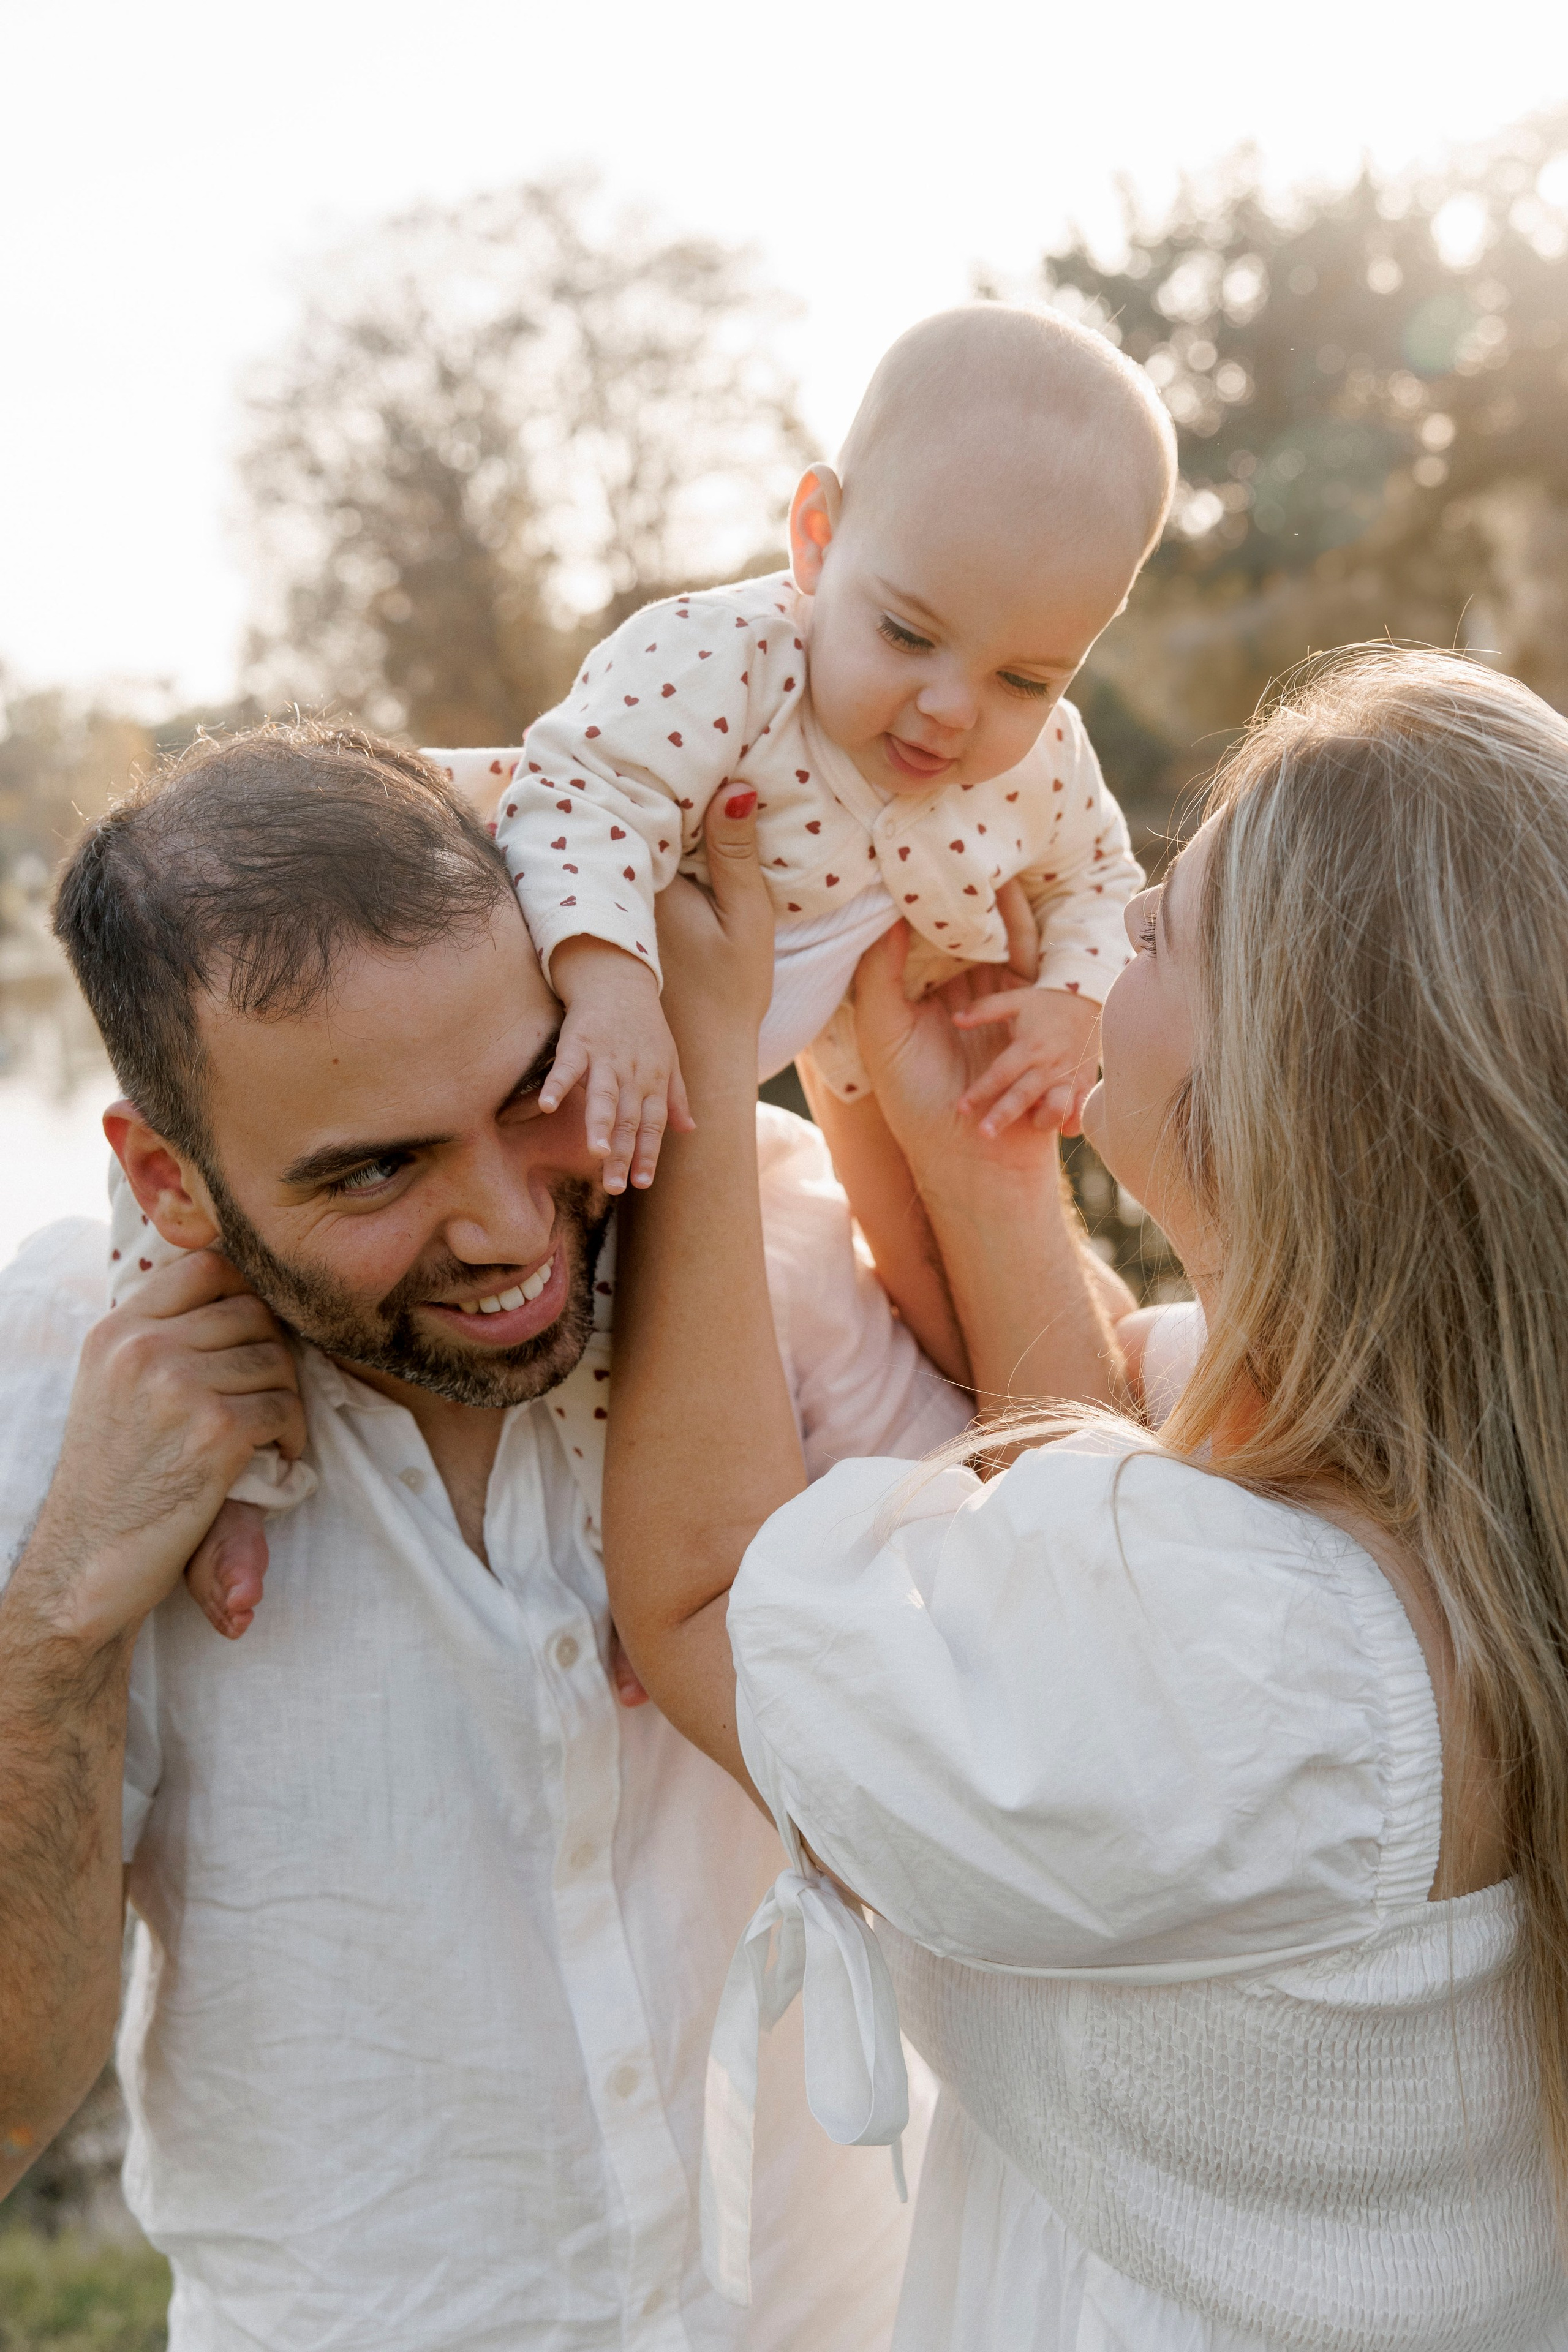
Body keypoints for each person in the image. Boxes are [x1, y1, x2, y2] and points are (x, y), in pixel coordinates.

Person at [598, 646, 1568, 2349]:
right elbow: (1115, 1436)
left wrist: (700, 1061)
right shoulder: (1465, 1475)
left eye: (1162, 929)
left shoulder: (1253, 1662)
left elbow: (709, 1609)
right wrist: (958, 1154)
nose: (1106, 929)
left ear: (1287, 1079)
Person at [0, 722, 969, 2351]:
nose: (512, 1227)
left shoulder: (756, 1229)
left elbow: (1083, 1650)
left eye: (533, 1096)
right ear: (167, 1181)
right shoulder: (50, 1387)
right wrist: (60, 1621)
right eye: (376, 1171)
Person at [438, 303, 1170, 1196]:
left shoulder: (1045, 761)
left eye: (1024, 680)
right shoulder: (719, 660)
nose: (951, 709)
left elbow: (1097, 877)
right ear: (818, 535)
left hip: (747, 1087)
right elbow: (581, 801)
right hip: (520, 1020)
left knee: (833, 1241)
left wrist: (1076, 999)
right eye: (906, 634)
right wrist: (611, 984)